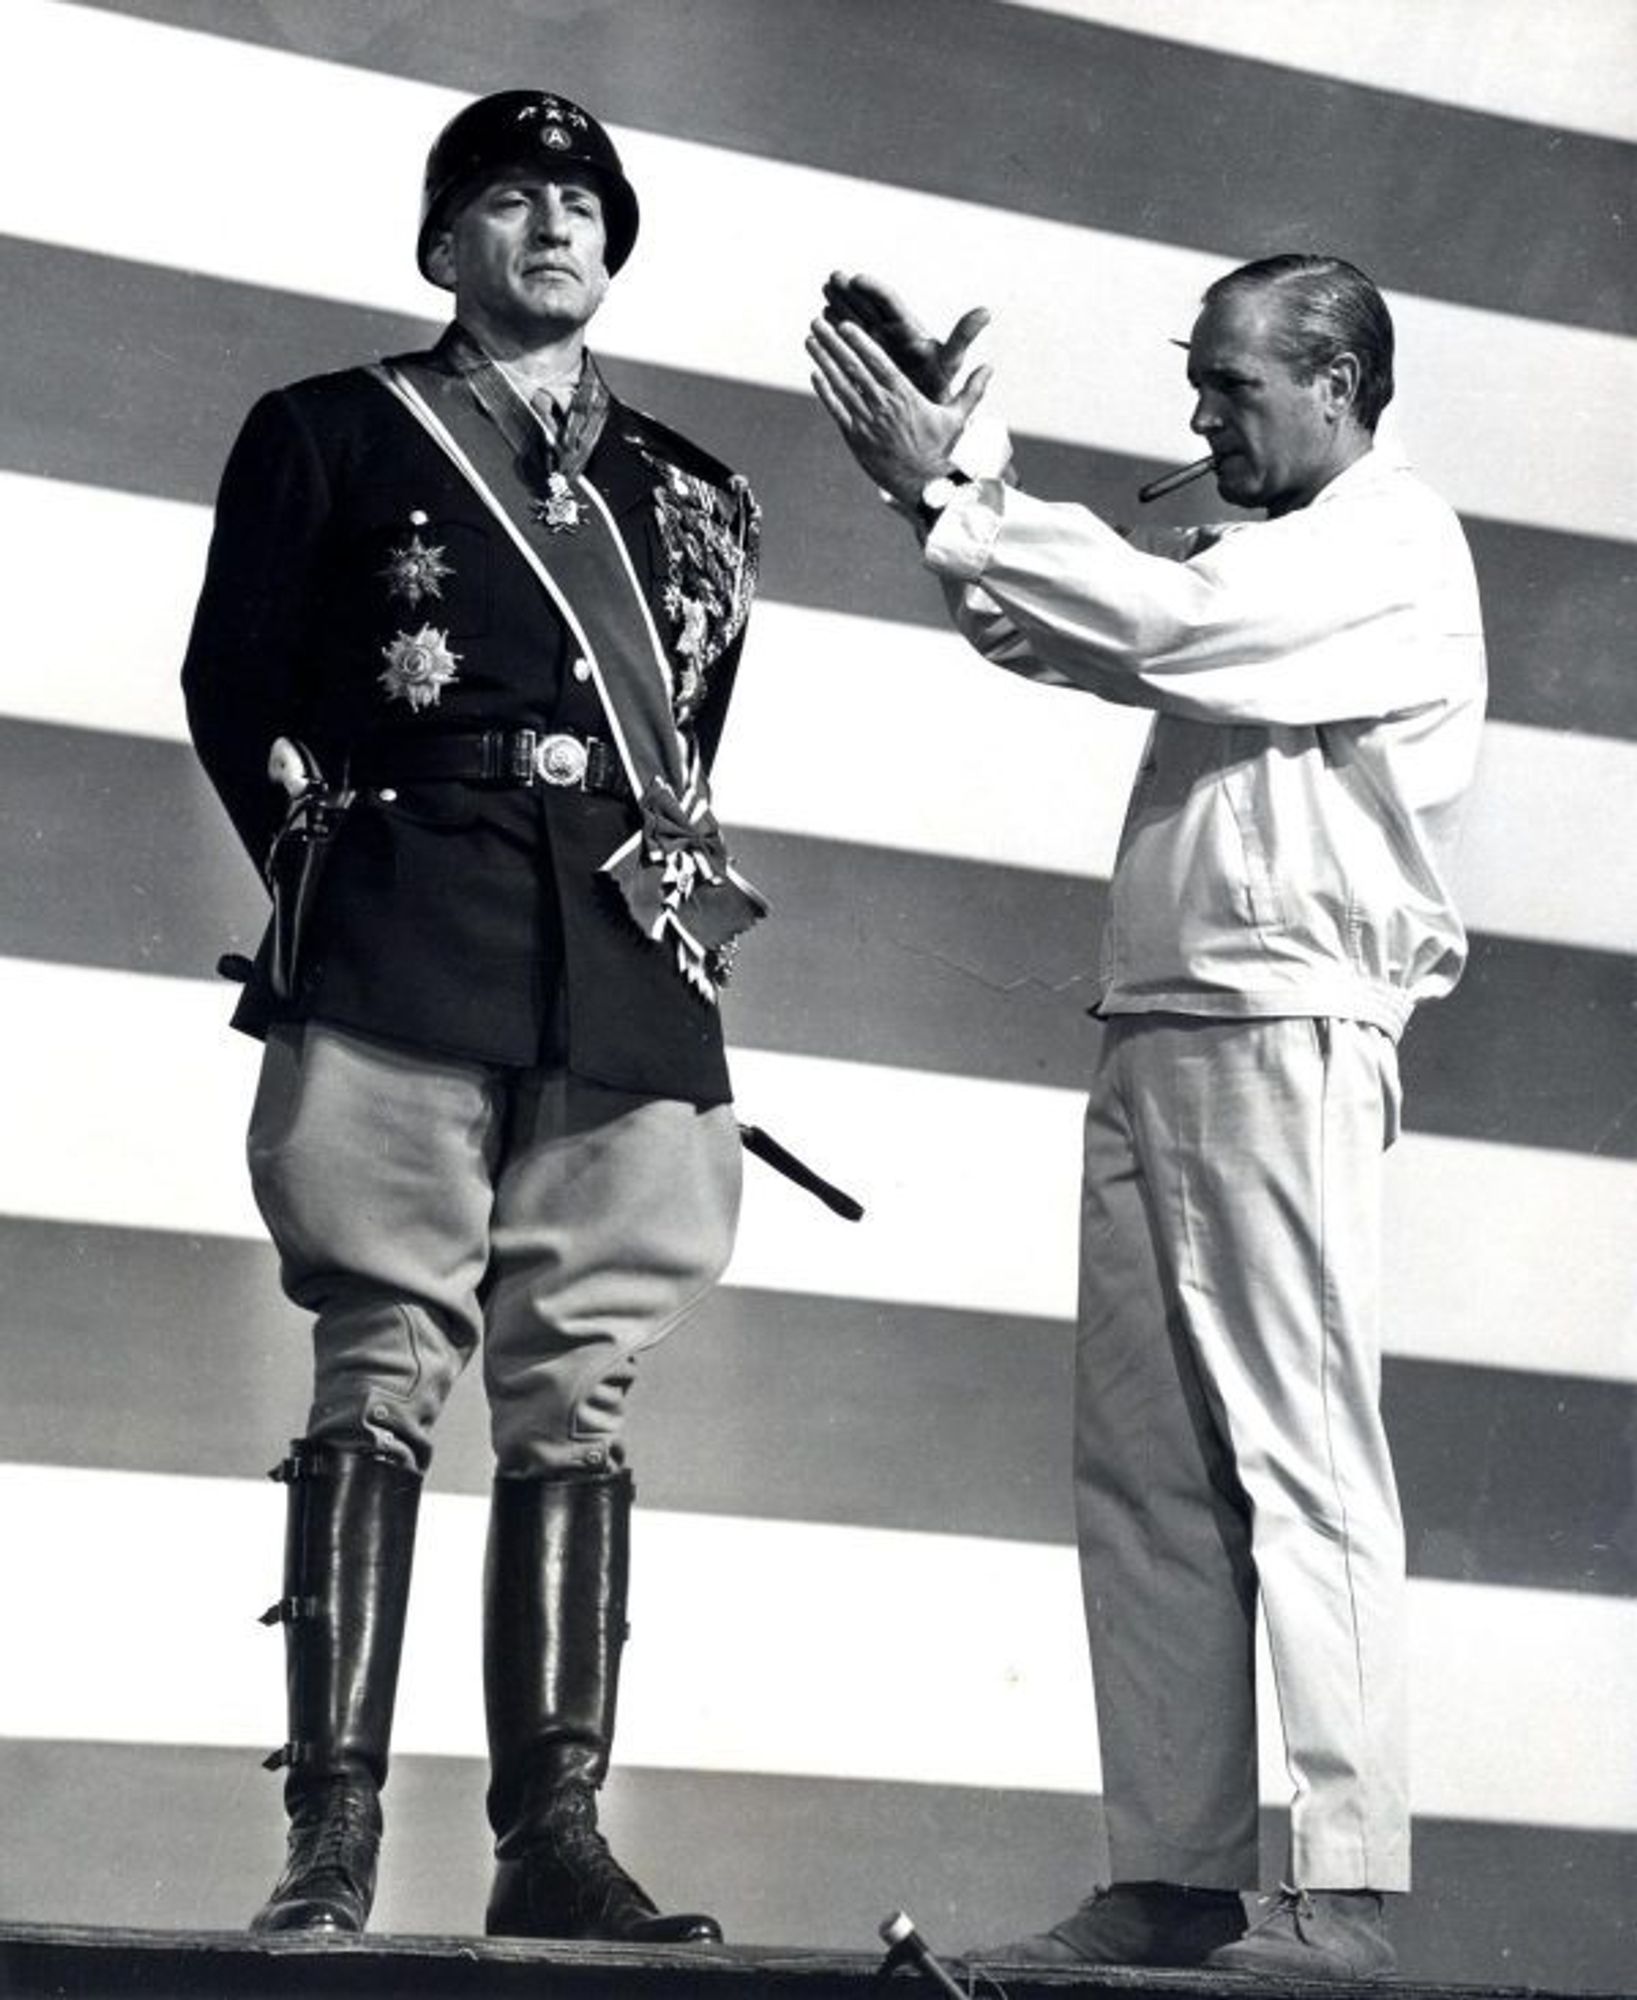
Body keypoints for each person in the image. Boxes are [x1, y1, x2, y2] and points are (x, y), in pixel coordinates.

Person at [807, 255, 1485, 1981]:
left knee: (1300, 1457)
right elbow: (1051, 622)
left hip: (1286, 1024)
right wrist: (950, 477)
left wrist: (964, 492)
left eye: (1229, 386)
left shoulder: (1389, 546)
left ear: (1334, 379)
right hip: (1167, 1018)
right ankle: (1176, 1875)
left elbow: (1164, 628)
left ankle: (1339, 1890)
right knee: (1149, 1471)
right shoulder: (1271, 554)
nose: (1197, 418)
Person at [182, 88, 765, 1944]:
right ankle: (329, 1841)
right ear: (443, 245)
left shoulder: (694, 491)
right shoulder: (329, 433)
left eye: (582, 202)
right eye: (508, 200)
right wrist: (331, 875)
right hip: (403, 913)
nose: (552, 226)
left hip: (616, 938)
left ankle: (553, 1843)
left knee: (579, 1380)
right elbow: (233, 683)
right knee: (379, 1353)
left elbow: (687, 733)